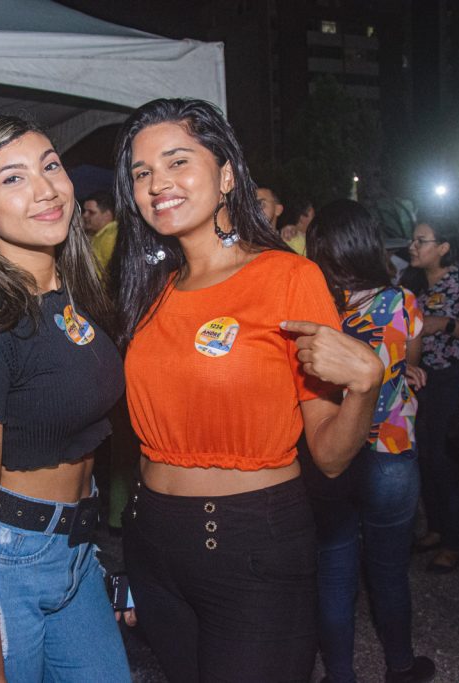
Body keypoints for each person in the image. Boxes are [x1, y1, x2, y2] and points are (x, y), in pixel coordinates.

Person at [112, 98, 383, 683]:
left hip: (251, 544)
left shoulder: (288, 277)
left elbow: (331, 459)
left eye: (178, 161)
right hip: (151, 539)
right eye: (141, 172)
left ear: (227, 174)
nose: (158, 182)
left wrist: (366, 385)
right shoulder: (149, 291)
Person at [0, 115, 130, 682]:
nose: (45, 189)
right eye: (12, 179)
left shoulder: (77, 293)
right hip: (5, 555)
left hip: (77, 549)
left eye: (50, 166)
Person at [304, 199, 434, 683]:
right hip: (392, 457)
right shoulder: (403, 303)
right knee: (389, 572)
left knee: (334, 575)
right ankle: (400, 665)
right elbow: (406, 359)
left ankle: (341, 675)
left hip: (332, 451)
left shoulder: (317, 314)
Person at [401, 216, 459, 573]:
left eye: (421, 240)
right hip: (420, 378)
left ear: (444, 247)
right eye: (413, 239)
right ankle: (436, 529)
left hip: (454, 377)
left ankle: (453, 543)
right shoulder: (411, 282)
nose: (413, 246)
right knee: (423, 457)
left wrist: (445, 325)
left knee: (444, 459)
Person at [81, 189, 118, 276]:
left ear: (107, 215)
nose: (84, 215)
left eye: (91, 212)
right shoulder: (100, 235)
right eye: (85, 211)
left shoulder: (111, 238)